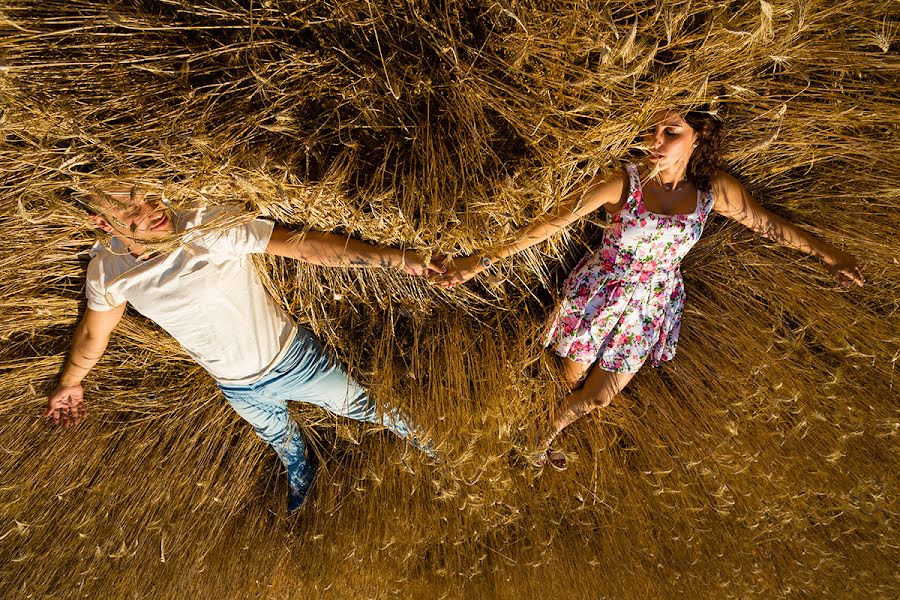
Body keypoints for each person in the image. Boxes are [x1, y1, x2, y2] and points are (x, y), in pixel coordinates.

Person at [436, 109, 863, 469]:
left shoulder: (713, 190)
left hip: (652, 304)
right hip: (602, 294)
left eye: (671, 132)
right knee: (570, 378)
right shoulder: (623, 183)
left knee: (600, 397)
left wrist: (830, 255)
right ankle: (528, 434)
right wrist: (479, 261)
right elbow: (549, 225)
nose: (656, 140)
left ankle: (543, 436)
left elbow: (767, 223)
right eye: (652, 131)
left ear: (699, 137)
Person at [46, 184, 444, 511]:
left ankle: (434, 444)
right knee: (278, 437)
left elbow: (307, 247)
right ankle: (301, 470)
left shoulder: (205, 225)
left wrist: (397, 260)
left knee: (363, 406)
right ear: (101, 222)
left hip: (294, 362)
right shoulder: (108, 268)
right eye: (129, 206)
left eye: (145, 193)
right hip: (235, 386)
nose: (150, 206)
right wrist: (71, 382)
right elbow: (93, 334)